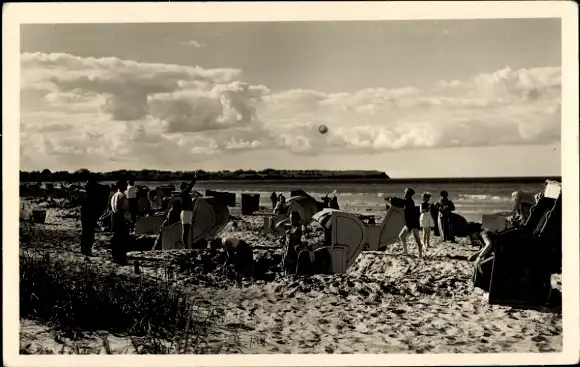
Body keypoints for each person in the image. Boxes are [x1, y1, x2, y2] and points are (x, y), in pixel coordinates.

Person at [387, 188, 423, 258]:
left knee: (417, 240)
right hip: (408, 224)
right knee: (401, 236)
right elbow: (400, 202)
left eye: (405, 193)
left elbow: (400, 202)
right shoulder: (408, 201)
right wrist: (392, 200)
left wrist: (391, 200)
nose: (404, 194)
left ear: (408, 195)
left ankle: (420, 255)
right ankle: (405, 251)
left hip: (413, 224)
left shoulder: (409, 201)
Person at [110, 180, 130, 265]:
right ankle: (121, 258)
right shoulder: (122, 196)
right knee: (122, 239)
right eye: (125, 185)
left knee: (116, 237)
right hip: (120, 218)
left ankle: (115, 257)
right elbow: (121, 209)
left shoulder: (114, 195)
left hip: (114, 217)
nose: (126, 186)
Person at [80, 177, 101, 256]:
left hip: (86, 215)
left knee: (85, 233)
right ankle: (87, 250)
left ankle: (84, 249)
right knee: (89, 233)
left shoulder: (87, 195)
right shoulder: (93, 195)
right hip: (90, 215)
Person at [179, 172, 198, 247]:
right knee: (186, 229)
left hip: (187, 212)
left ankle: (186, 244)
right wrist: (195, 178)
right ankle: (185, 245)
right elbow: (190, 185)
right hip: (186, 212)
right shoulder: (184, 192)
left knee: (186, 229)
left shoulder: (184, 194)